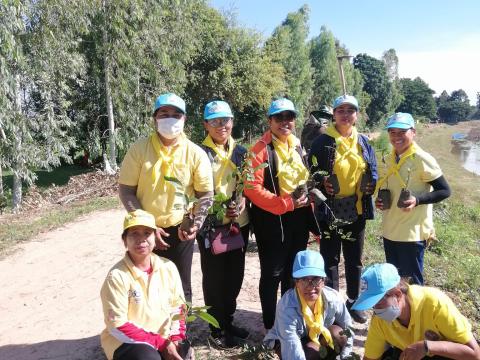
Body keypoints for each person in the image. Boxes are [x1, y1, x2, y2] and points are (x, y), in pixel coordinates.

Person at [118, 93, 214, 302]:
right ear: (155, 118)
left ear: (184, 119)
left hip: (180, 231)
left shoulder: (195, 153)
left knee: (180, 286)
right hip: (144, 231)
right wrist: (147, 226)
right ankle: (149, 333)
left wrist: (195, 224)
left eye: (176, 114)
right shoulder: (138, 150)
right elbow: (126, 190)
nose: (170, 118)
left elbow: (206, 195)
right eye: (164, 114)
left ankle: (180, 334)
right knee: (144, 285)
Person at [244, 98, 315, 331]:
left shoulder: (296, 145)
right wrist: (284, 203)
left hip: (298, 218)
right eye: (279, 117)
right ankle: (269, 323)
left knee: (292, 272)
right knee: (272, 273)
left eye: (289, 117)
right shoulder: (260, 150)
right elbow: (251, 188)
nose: (285, 122)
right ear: (270, 121)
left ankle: (286, 318)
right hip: (272, 219)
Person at [308, 94, 377, 324]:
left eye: (350, 110)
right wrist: (321, 183)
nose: (345, 115)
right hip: (330, 211)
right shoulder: (322, 142)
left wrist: (371, 182)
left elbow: (373, 169)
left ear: (356, 115)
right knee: (329, 258)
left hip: (356, 209)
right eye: (341, 111)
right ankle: (332, 304)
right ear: (334, 114)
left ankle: (354, 302)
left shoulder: (363, 142)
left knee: (354, 259)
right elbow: (312, 172)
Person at [100, 209, 192, 360]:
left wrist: (175, 338)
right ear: (124, 240)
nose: (141, 239)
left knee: (183, 353)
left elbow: (178, 307)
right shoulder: (116, 276)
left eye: (147, 233)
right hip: (127, 341)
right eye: (134, 233)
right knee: (147, 357)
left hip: (163, 337)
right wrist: (161, 344)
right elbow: (117, 324)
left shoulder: (168, 267)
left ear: (155, 238)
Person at [197, 100, 250, 348]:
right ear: (206, 124)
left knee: (234, 276)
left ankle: (228, 321)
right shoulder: (198, 153)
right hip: (211, 227)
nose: (222, 126)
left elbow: (248, 187)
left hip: (238, 224)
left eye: (226, 120)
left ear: (232, 122)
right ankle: (215, 329)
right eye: (215, 121)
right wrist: (216, 211)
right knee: (214, 279)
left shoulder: (241, 152)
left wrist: (242, 202)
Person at [375, 113, 451, 285]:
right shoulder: (389, 158)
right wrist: (380, 201)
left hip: (411, 234)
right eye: (392, 132)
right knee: (394, 282)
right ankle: (399, 312)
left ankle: (416, 312)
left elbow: (445, 190)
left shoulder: (422, 158)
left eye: (402, 132)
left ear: (413, 132)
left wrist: (417, 200)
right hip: (390, 230)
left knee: (412, 285)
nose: (396, 137)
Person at [352, 263, 480, 360]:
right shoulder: (380, 320)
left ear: (397, 294)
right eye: (372, 305)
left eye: (378, 303)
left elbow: (474, 353)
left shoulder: (435, 303)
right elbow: (370, 358)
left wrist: (427, 346)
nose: (376, 310)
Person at [264, 250, 354, 360]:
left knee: (339, 334)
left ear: (323, 281)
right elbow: (291, 346)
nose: (310, 287)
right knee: (312, 352)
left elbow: (348, 328)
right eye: (304, 280)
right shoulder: (286, 307)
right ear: (296, 282)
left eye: (316, 279)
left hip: (317, 337)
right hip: (288, 344)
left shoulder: (334, 298)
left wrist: (346, 356)